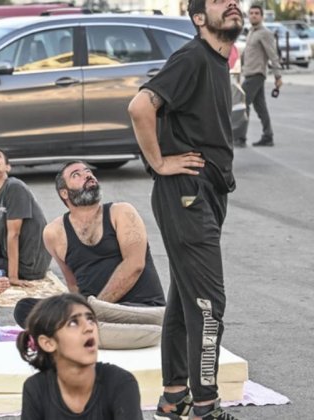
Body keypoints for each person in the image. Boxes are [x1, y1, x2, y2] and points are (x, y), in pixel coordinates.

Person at [128, 0, 243, 417]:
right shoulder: (192, 57)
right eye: (218, 0)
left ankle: (175, 397)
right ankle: (206, 405)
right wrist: (159, 163)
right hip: (186, 193)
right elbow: (140, 106)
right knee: (209, 304)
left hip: (206, 191)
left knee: (185, 296)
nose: (232, 3)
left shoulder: (217, 60)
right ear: (198, 18)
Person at [14, 161, 166, 325]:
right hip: (93, 316)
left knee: (75, 325)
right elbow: (73, 285)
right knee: (25, 308)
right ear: (64, 193)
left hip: (138, 309)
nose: (87, 175)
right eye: (76, 175)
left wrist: (93, 310)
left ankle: (74, 327)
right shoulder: (53, 233)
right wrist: (81, 312)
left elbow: (135, 265)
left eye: (88, 171)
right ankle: (78, 327)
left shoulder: (121, 212)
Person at [16, 294, 141, 419]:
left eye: (91, 320)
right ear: (48, 343)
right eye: (73, 323)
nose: (89, 328)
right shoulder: (36, 388)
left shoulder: (120, 383)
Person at [0, 147, 51, 287]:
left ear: (8, 167)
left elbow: (14, 234)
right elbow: (4, 235)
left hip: (29, 266)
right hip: (11, 251)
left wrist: (13, 277)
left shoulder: (14, 187)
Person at [237, 4, 283, 148]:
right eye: (251, 13)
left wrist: (278, 76)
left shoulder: (265, 33)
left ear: (262, 16)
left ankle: (240, 137)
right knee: (260, 107)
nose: (254, 15)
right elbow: (246, 54)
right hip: (249, 74)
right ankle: (268, 136)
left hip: (256, 74)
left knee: (242, 104)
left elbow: (273, 55)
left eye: (257, 13)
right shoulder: (251, 32)